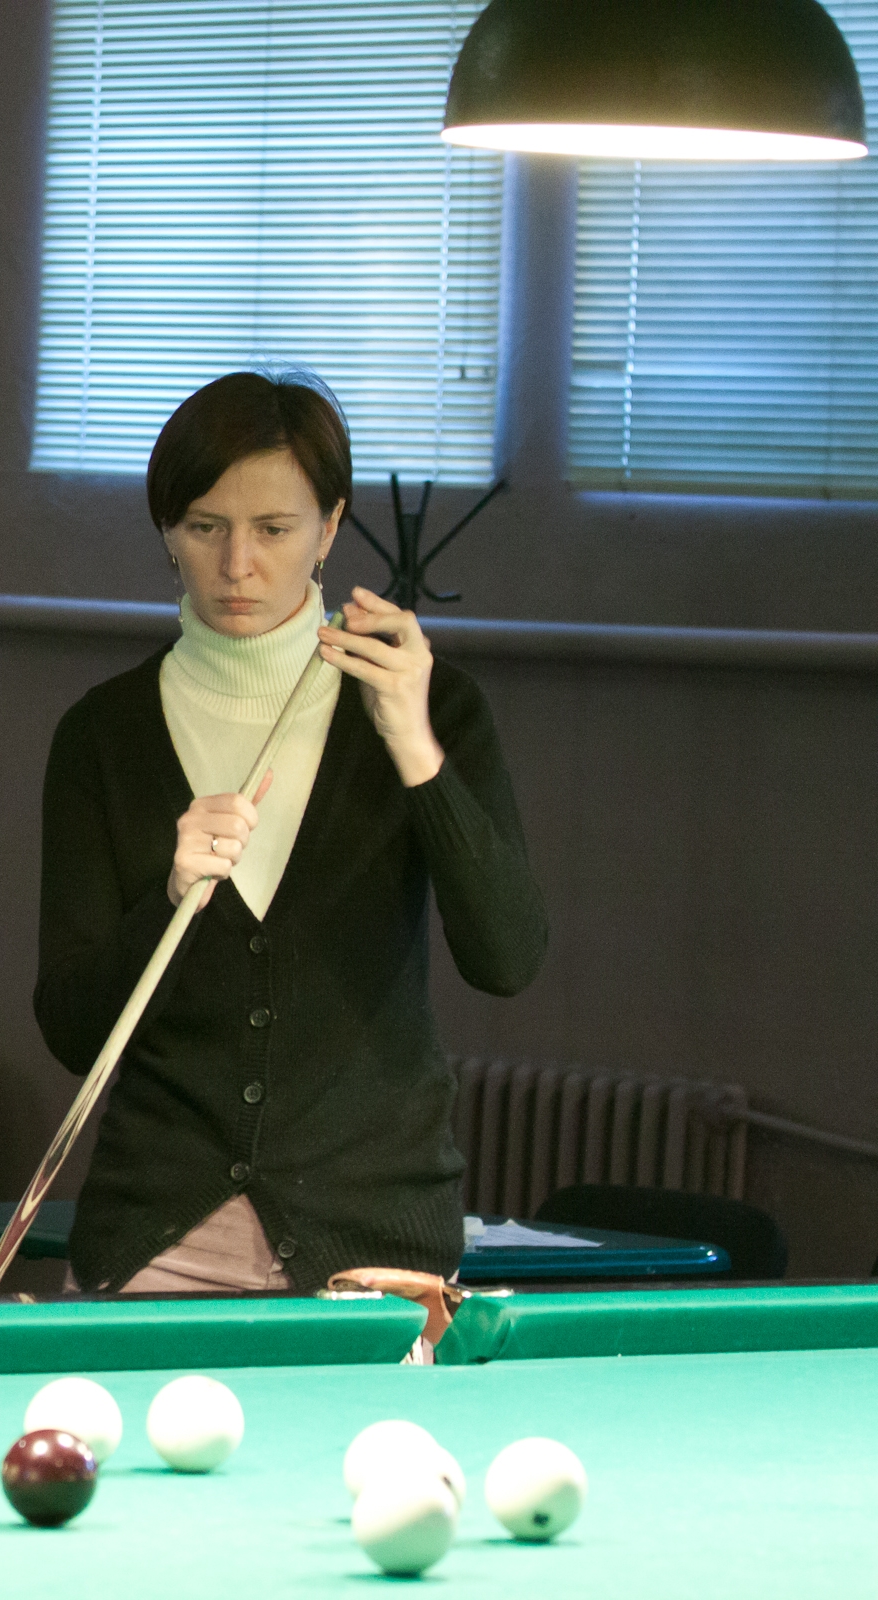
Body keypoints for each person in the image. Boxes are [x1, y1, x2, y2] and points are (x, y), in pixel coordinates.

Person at [34, 370, 546, 1300]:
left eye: (273, 529)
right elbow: (72, 1030)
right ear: (166, 531)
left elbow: (507, 958)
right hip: (156, 1239)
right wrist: (168, 901)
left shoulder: (435, 708)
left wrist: (414, 750)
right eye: (205, 527)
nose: (238, 565)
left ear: (330, 528)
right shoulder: (103, 735)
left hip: (373, 1237)